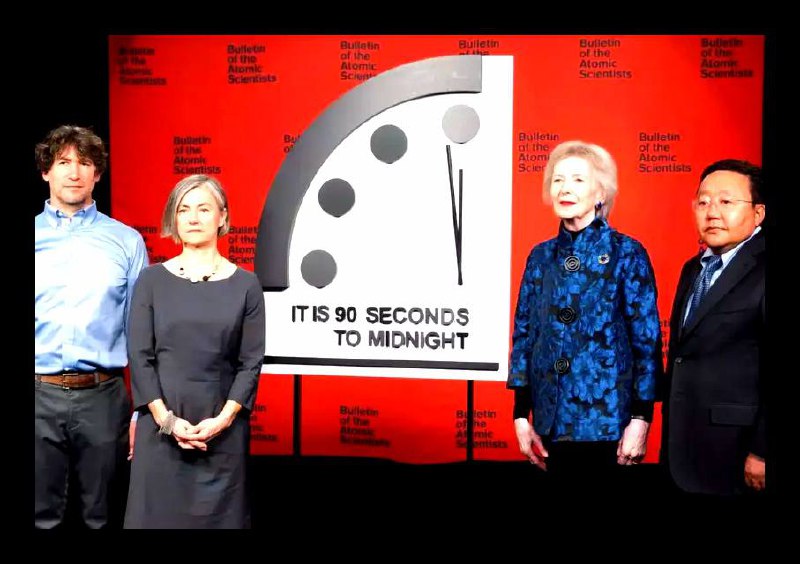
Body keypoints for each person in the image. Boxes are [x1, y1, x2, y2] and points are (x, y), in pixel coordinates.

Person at [507, 140, 663, 498]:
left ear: (600, 193)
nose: (565, 188)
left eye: (578, 179)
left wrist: (641, 418)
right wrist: (520, 414)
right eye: (558, 180)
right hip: (550, 421)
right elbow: (525, 334)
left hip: (608, 423)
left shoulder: (627, 253)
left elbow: (647, 342)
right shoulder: (540, 256)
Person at [124, 174, 265, 529]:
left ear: (222, 216)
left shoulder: (246, 285)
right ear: (173, 217)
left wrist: (223, 421)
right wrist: (167, 421)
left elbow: (250, 363)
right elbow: (140, 357)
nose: (193, 218)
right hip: (160, 431)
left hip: (223, 435)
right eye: (183, 209)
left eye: (204, 209)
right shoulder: (151, 280)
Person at [35, 125, 148, 528]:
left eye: (84, 163)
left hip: (103, 398)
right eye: (63, 162)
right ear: (45, 171)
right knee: (39, 516)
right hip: (38, 395)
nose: (74, 172)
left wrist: (140, 412)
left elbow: (141, 334)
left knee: (101, 518)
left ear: (97, 174)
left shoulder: (127, 242)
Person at [660, 159, 765, 497]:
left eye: (726, 201)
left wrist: (763, 451)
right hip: (682, 450)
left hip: (739, 453)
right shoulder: (693, 268)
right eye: (703, 202)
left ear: (758, 213)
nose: (712, 212)